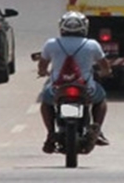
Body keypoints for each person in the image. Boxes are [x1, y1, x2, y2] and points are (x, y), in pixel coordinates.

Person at [37, 11, 112, 153]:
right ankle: (96, 129)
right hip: (86, 88)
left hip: (58, 89)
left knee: (46, 102)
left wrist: (42, 72)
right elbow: (104, 65)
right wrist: (106, 73)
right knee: (100, 99)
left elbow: (42, 65)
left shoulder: (51, 43)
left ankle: (51, 133)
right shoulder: (92, 44)